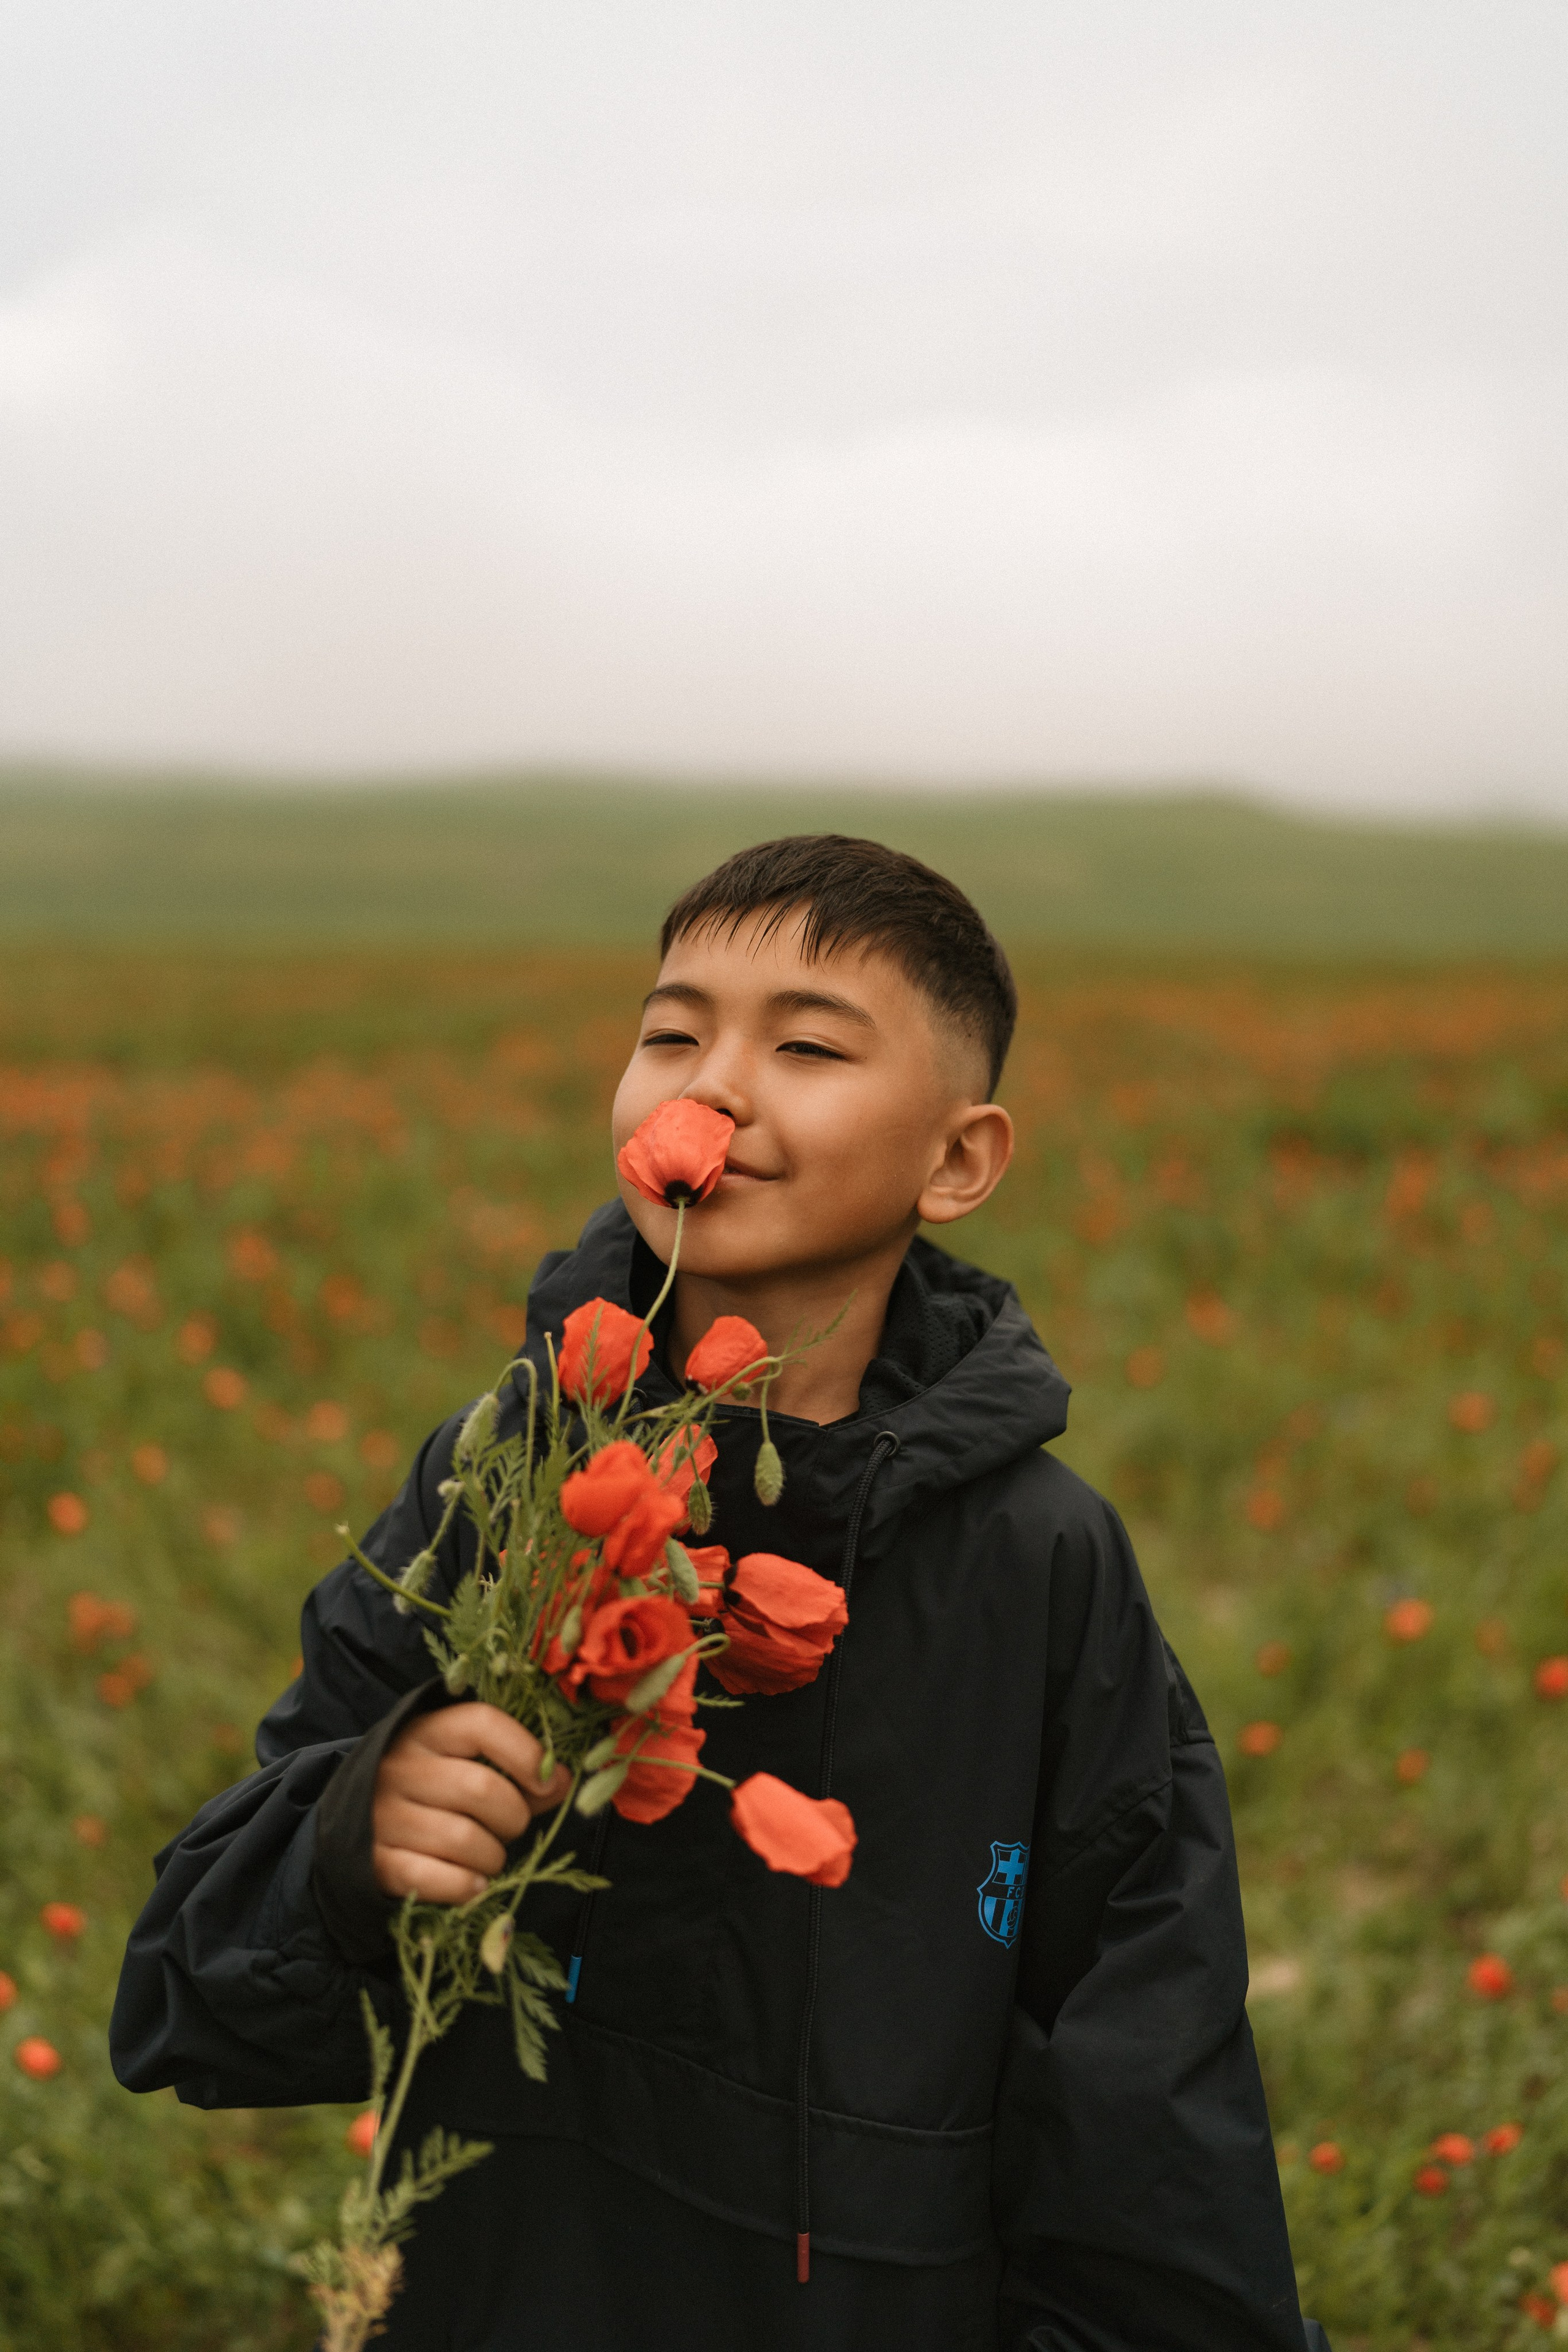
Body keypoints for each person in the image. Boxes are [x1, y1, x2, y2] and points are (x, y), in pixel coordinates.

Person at [111, 834, 1330, 2351]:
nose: (713, 1087)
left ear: (958, 1160)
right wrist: (355, 1841)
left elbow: (1148, 2097)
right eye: (670, 1034)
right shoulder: (503, 1478)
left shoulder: (1036, 1562)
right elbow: (192, 1994)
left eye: (807, 1044)